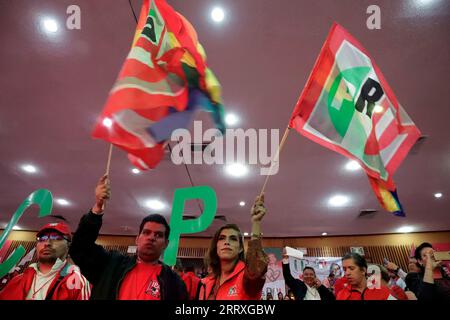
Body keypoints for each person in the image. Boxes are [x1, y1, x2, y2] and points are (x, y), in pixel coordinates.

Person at [69, 174, 187, 300]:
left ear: (166, 244)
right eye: (146, 232)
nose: (151, 237)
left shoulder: (174, 283)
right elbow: (79, 249)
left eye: (158, 235)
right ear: (137, 239)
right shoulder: (112, 264)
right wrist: (97, 210)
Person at [199, 195, 268, 300]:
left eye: (233, 239)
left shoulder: (248, 277)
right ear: (216, 246)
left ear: (240, 248)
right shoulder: (206, 282)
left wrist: (256, 223)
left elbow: (257, 268)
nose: (227, 242)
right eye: (222, 238)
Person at [0, 222, 91, 300]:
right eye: (42, 239)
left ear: (69, 246)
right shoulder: (18, 280)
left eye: (56, 238)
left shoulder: (77, 282)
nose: (47, 243)